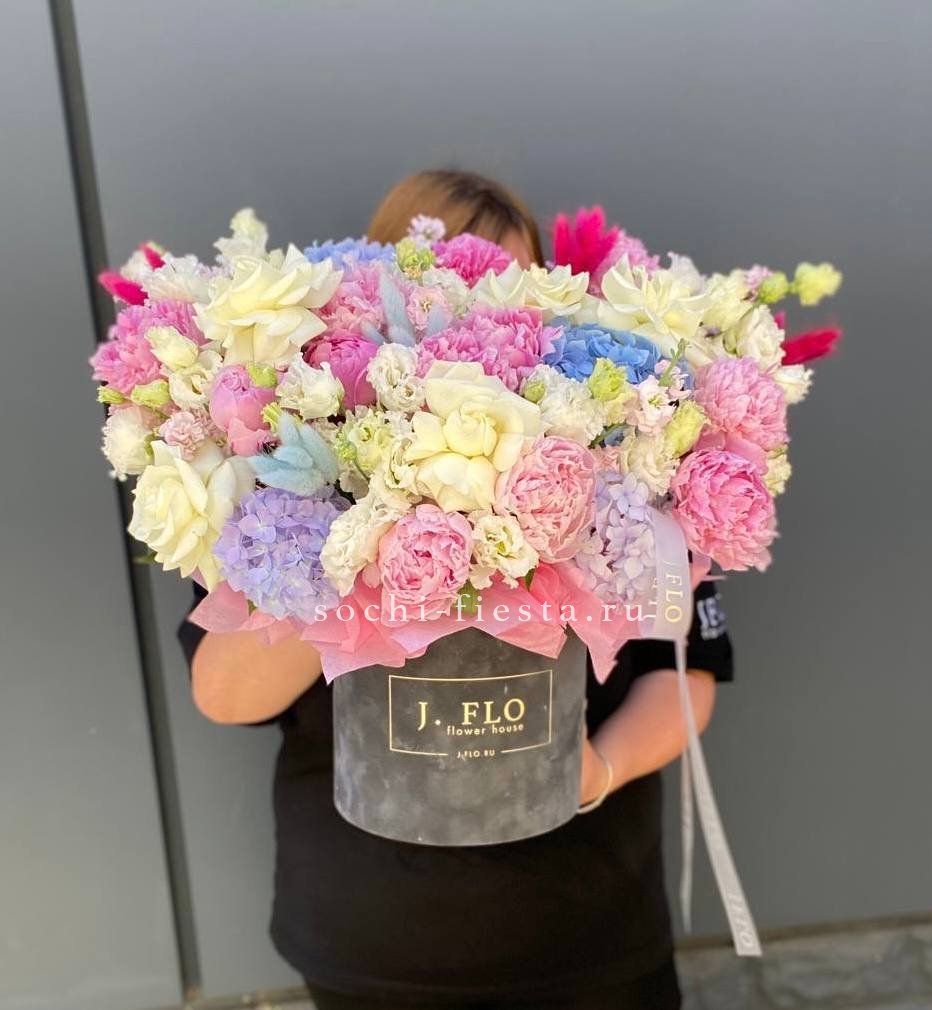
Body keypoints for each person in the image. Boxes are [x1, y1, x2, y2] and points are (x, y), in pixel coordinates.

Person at [182, 169, 734, 1010]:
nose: (474, 326)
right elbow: (226, 696)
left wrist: (596, 773)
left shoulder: (633, 466)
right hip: (374, 936)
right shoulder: (275, 472)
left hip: (588, 927)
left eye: (505, 293)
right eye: (446, 293)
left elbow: (684, 672)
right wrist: (365, 519)